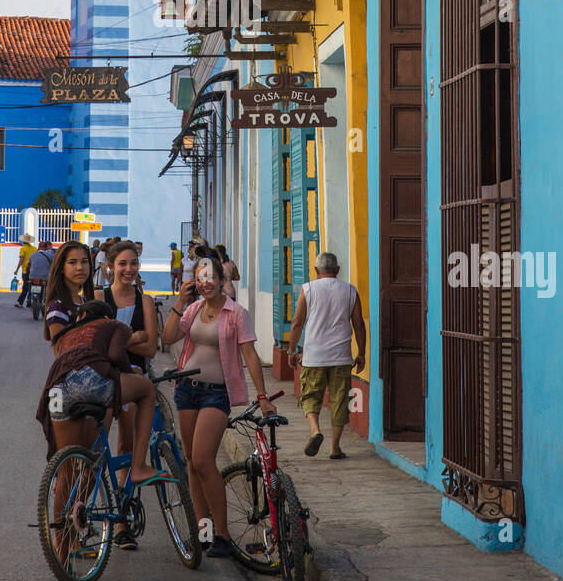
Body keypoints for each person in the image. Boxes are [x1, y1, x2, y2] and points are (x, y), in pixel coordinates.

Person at [163, 252, 276, 559]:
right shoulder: (194, 309)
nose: (205, 284)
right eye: (199, 279)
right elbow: (169, 336)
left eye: (210, 277)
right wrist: (179, 302)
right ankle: (204, 531)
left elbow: (250, 355)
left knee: (202, 460)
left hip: (217, 394)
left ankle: (223, 535)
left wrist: (263, 398)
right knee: (190, 461)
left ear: (222, 278)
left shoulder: (236, 313)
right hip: (186, 391)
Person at [36, 300, 169, 480]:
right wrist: (130, 376)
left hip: (56, 390)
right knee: (146, 389)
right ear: (107, 316)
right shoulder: (114, 324)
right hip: (89, 382)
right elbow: (115, 354)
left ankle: (65, 506)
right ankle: (138, 467)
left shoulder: (68, 333)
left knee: (67, 471)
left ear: (82, 315)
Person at [101, 239, 158, 548]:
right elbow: (100, 344)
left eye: (133, 264)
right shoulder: (99, 297)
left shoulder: (145, 301)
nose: (128, 269)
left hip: (135, 377)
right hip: (106, 375)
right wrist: (134, 336)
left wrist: (120, 340)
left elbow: (150, 347)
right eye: (122, 264)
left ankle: (121, 520)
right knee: (98, 447)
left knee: (125, 443)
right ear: (111, 266)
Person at [287, 252, 366, 460]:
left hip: (314, 356)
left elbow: (297, 322)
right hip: (341, 356)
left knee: (311, 396)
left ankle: (315, 430)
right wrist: (362, 353)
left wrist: (291, 350)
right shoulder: (350, 291)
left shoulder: (308, 289)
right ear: (338, 270)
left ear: (316, 271)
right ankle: (335, 448)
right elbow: (358, 325)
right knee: (340, 400)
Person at [44, 240, 95, 348]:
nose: (80, 267)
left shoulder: (83, 301)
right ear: (61, 268)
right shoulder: (58, 308)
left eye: (84, 261)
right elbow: (61, 355)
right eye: (72, 262)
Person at [23, 240, 53, 311]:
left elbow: (28, 266)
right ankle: (46, 299)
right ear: (46, 248)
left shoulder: (32, 255)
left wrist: (27, 273)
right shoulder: (50, 255)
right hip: (45, 277)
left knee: (30, 284)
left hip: (33, 276)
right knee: (49, 287)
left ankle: (29, 299)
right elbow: (53, 265)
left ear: (39, 247)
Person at [15, 234, 37, 307]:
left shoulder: (23, 248)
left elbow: (21, 259)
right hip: (34, 270)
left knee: (25, 287)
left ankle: (20, 302)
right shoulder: (34, 248)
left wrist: (17, 269)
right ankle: (32, 300)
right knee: (34, 286)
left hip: (26, 271)